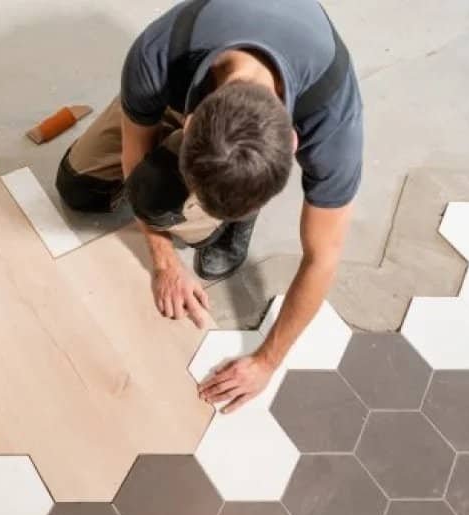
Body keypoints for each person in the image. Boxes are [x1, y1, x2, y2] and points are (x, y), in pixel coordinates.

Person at [55, 0, 363, 412]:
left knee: (178, 206)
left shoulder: (331, 119)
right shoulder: (158, 55)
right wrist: (164, 261)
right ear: (190, 119)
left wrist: (266, 361)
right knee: (80, 189)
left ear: (293, 142)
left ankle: (241, 203)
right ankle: (223, 195)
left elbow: (323, 257)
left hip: (267, 89)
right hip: (184, 81)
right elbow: (135, 156)